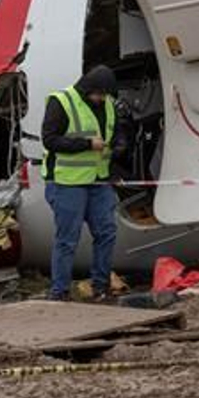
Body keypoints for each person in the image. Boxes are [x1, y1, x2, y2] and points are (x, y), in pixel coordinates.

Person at [41, 64, 121, 300]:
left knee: (106, 232)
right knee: (68, 238)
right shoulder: (61, 102)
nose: (102, 99)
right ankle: (60, 292)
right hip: (67, 182)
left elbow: (114, 133)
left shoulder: (107, 105)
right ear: (89, 89)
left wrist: (118, 148)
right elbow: (50, 140)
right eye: (100, 94)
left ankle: (101, 287)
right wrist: (86, 144)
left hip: (98, 180)